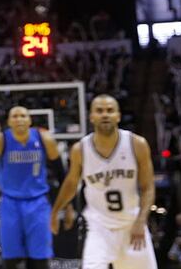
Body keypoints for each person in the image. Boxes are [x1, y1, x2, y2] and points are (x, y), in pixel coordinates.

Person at [50, 94, 158, 269]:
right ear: (91, 116)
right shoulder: (80, 149)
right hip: (99, 228)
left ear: (118, 116)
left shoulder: (137, 144)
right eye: (99, 111)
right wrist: (56, 211)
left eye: (110, 110)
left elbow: (148, 188)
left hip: (131, 224)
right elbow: (71, 184)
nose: (105, 115)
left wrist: (141, 221)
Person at [0, 105, 72, 269]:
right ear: (9, 121)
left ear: (30, 120)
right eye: (15, 116)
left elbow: (60, 173)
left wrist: (68, 204)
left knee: (40, 257)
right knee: (11, 257)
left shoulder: (44, 139)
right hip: (10, 203)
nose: (19, 119)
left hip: (38, 203)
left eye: (23, 116)